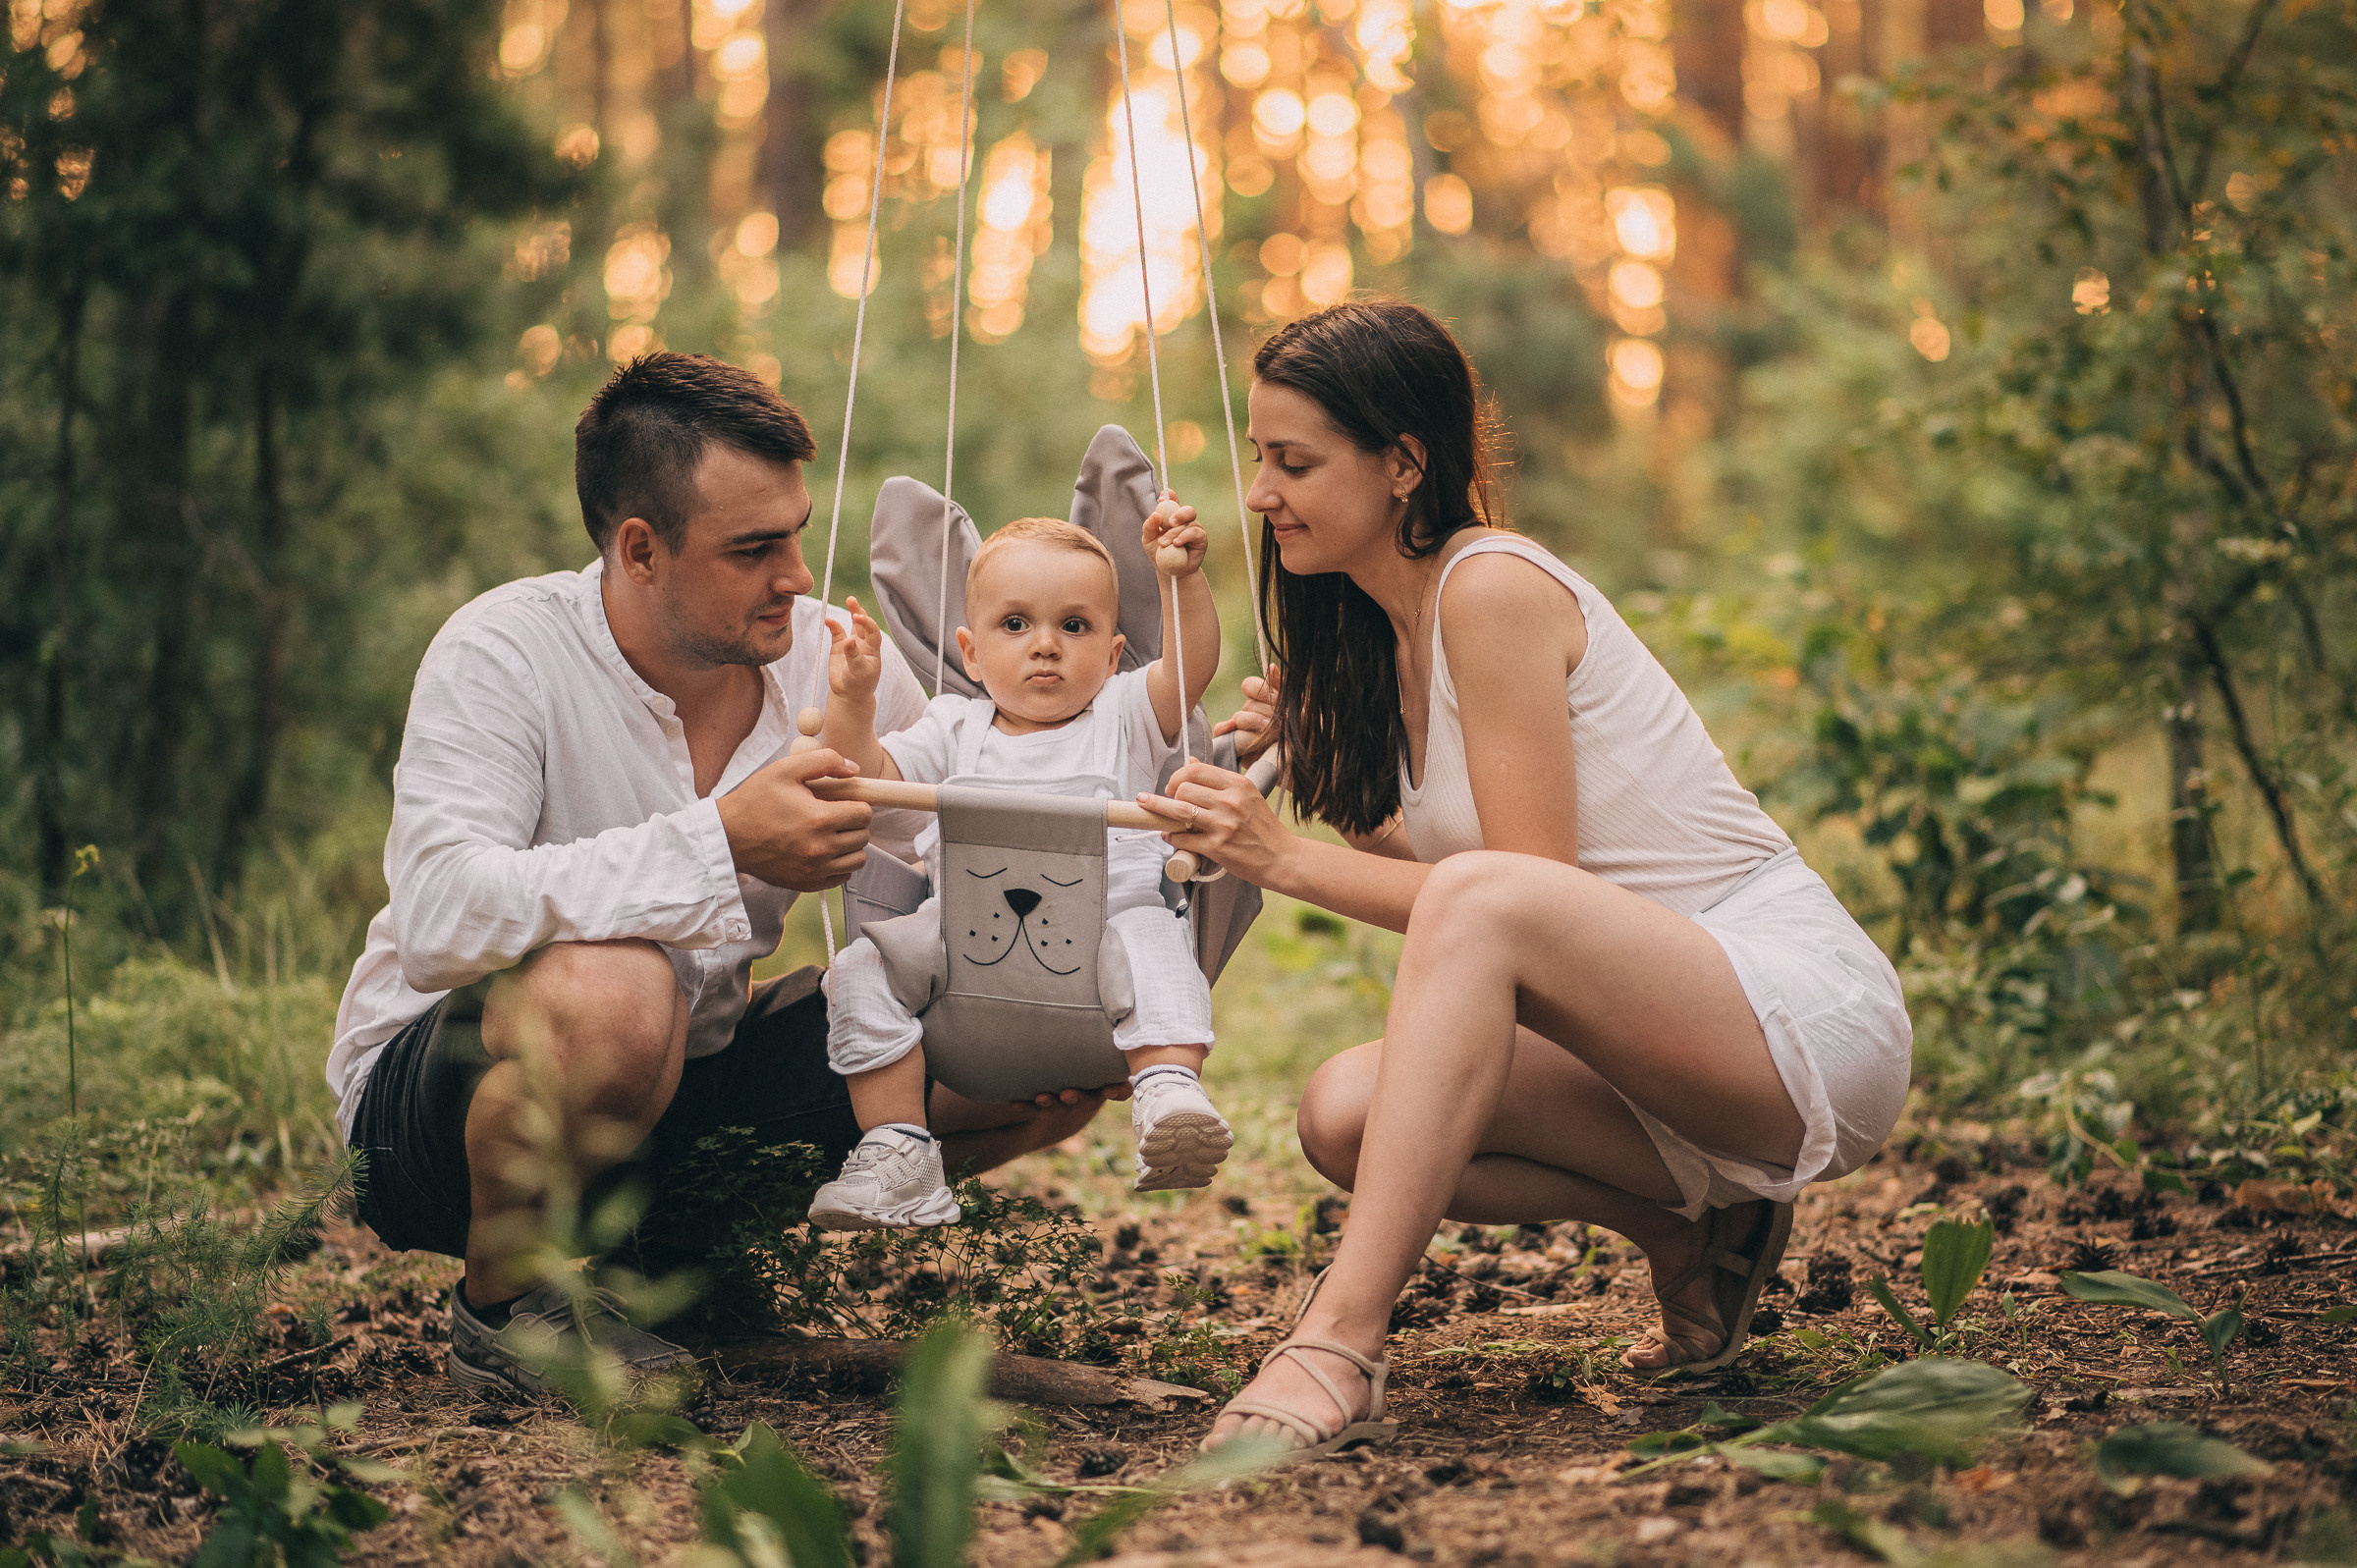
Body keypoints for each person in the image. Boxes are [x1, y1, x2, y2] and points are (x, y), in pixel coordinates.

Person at [1143, 300, 1913, 1455]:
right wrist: (1334, 776)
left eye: (1293, 462)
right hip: (1649, 1036)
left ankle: (1339, 1340)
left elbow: (1515, 893)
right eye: (1260, 458)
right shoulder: (1382, 634)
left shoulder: (1491, 586)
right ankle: (1695, 1234)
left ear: (1404, 464)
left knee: (1485, 905)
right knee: (1342, 1114)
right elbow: (1480, 891)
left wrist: (1277, 857)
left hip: (1789, 1011)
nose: (1260, 493)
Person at [327, 352, 1117, 1399]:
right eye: (753, 548)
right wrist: (725, 840)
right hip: (442, 1125)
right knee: (622, 987)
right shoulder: (503, 653)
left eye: (794, 531)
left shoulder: (831, 661)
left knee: (1019, 1037)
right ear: (640, 550)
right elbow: (438, 914)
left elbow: (963, 828)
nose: (794, 572)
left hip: (686, 1090)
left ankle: (656, 1266)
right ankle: (506, 1301)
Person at [806, 505, 1231, 1229]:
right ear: (971, 653)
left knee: (1156, 936)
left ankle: (1167, 1082)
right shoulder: (954, 727)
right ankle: (897, 1144)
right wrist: (853, 698)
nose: (1045, 646)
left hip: (1103, 949)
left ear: (1113, 648)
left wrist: (1182, 578)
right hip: (965, 956)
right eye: (1015, 625)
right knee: (857, 970)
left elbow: (1192, 664)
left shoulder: (1124, 712)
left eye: (1075, 625)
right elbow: (866, 776)